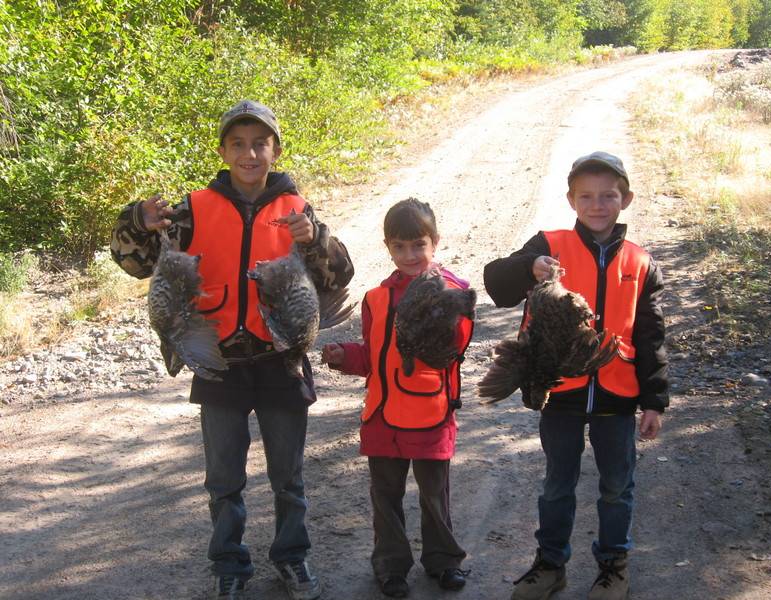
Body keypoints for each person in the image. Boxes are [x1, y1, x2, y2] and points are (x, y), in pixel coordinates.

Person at [110, 99, 354, 600]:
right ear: (223, 150)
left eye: (259, 144)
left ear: (276, 149)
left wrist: (317, 239)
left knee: (288, 476)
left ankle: (292, 557)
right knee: (223, 479)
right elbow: (132, 263)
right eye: (238, 144)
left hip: (280, 359)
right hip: (216, 359)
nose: (249, 154)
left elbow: (340, 275)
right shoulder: (193, 209)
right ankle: (229, 562)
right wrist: (139, 219)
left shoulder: (295, 208)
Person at [483, 151, 669, 600]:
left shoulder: (641, 262)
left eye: (609, 195)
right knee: (556, 486)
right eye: (587, 196)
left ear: (625, 199)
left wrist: (654, 401)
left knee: (615, 489)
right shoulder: (549, 244)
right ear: (571, 200)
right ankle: (549, 565)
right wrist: (530, 268)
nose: (598, 204)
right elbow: (496, 283)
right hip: (559, 391)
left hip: (617, 395)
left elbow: (651, 336)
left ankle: (613, 567)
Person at [321, 198, 473, 599]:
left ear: (435, 242)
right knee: (384, 497)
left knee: (434, 495)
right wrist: (344, 355)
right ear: (388, 246)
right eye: (401, 246)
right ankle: (390, 567)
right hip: (383, 415)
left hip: (431, 413)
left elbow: (455, 350)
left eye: (419, 245)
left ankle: (444, 561)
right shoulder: (375, 298)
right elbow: (374, 356)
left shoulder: (454, 292)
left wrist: (442, 301)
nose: (411, 255)